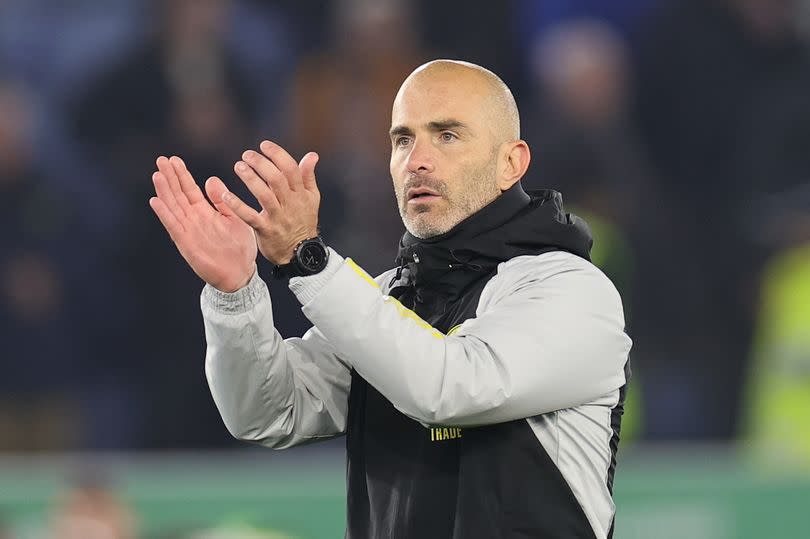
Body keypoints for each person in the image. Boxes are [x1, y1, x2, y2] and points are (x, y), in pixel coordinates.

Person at [149, 60, 632, 539]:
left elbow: (448, 387)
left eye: (447, 135)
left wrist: (307, 260)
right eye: (403, 139)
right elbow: (268, 412)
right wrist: (235, 296)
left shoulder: (570, 290)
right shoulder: (391, 298)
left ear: (512, 162)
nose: (417, 159)